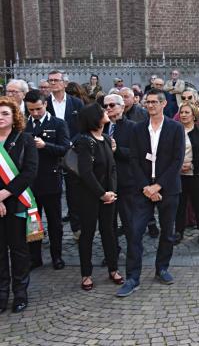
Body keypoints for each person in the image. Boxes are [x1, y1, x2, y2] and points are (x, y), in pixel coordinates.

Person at [117, 89, 185, 297]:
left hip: (168, 188)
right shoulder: (138, 129)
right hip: (142, 188)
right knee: (135, 232)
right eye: (148, 102)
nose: (151, 105)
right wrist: (147, 186)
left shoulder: (175, 128)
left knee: (167, 231)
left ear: (164, 104)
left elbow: (177, 160)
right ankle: (132, 277)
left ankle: (162, 268)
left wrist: (159, 186)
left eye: (155, 102)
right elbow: (134, 160)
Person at [70, 103, 123, 291]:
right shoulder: (84, 141)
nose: (106, 111)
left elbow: (112, 168)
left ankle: (113, 269)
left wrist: (112, 192)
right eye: (102, 111)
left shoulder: (107, 139)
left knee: (109, 232)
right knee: (87, 234)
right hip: (89, 196)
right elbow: (86, 173)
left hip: (109, 196)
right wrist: (101, 194)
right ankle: (86, 274)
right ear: (95, 118)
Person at [0, 97, 38, 314]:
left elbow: (29, 172)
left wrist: (3, 195)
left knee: (19, 250)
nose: (0, 117)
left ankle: (20, 293)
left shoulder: (25, 139)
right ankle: (1, 294)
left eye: (5, 113)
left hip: (18, 202)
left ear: (14, 116)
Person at [25, 91, 70, 270]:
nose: (35, 113)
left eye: (38, 109)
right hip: (30, 183)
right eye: (31, 110)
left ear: (45, 104)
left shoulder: (58, 123)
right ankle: (34, 257)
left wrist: (45, 145)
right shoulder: (23, 124)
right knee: (33, 221)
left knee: (54, 222)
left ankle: (56, 256)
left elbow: (65, 148)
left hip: (50, 179)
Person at [46, 70, 84, 240]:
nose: (53, 83)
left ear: (65, 83)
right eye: (50, 80)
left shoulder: (76, 103)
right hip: (51, 151)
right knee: (52, 191)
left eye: (56, 80)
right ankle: (52, 229)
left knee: (73, 191)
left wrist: (71, 143)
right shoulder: (45, 103)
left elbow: (83, 126)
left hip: (72, 152)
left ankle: (77, 227)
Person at [102, 93, 136, 249]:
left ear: (122, 107)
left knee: (129, 219)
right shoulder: (101, 126)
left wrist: (117, 150)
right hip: (105, 181)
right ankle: (112, 251)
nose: (108, 108)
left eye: (112, 105)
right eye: (105, 106)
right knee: (108, 222)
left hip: (126, 180)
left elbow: (137, 153)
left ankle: (133, 251)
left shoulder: (133, 127)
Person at [175, 102, 199, 244]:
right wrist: (178, 166)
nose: (183, 115)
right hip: (179, 174)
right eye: (181, 112)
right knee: (180, 203)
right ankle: (178, 231)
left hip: (197, 173)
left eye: (187, 112)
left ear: (194, 115)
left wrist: (191, 164)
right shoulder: (175, 131)